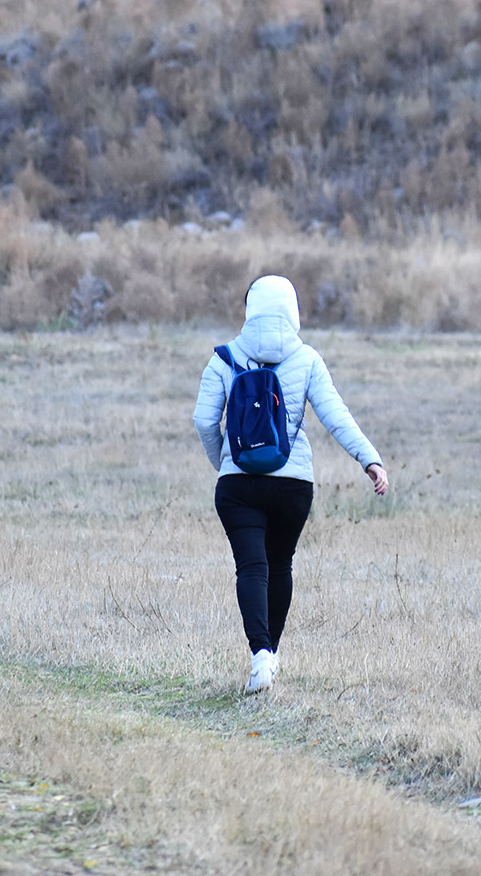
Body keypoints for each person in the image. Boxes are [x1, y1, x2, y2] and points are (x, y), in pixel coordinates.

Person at [193, 274, 388, 693]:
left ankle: (259, 655)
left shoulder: (223, 358)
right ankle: (273, 656)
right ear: (292, 311)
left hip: (238, 484)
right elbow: (336, 415)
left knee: (251, 567)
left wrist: (223, 462)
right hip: (292, 485)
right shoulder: (308, 359)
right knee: (280, 565)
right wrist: (368, 459)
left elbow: (204, 420)